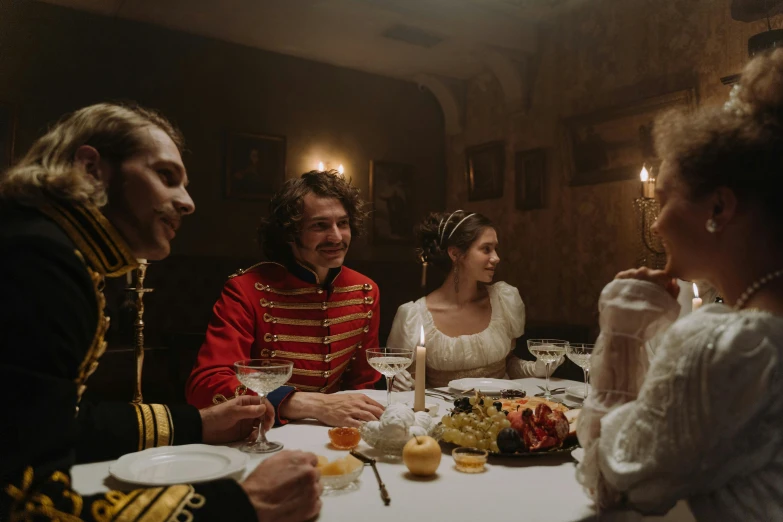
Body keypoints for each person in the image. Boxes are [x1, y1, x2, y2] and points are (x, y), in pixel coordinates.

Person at [0, 103, 321, 522]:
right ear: (90, 168)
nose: (187, 203)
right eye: (167, 177)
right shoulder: (38, 260)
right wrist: (241, 505)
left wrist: (198, 424)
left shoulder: (53, 248)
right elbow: (26, 506)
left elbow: (63, 423)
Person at [576, 50, 783, 521]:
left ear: (718, 209)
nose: (656, 226)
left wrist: (626, 329)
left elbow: (610, 485)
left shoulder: (729, 346)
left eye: (664, 200)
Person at [186, 170, 384, 427]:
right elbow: (205, 385)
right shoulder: (245, 289)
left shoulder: (366, 290)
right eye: (320, 225)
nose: (336, 237)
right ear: (290, 234)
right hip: (264, 431)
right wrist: (303, 402)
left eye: (343, 223)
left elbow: (363, 384)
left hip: (335, 432)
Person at [388, 210, 562, 389]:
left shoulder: (503, 300)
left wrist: (537, 369)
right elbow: (409, 386)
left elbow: (508, 364)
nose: (496, 258)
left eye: (495, 248)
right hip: (447, 413)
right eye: (486, 249)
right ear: (455, 254)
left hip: (505, 409)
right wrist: (399, 384)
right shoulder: (414, 316)